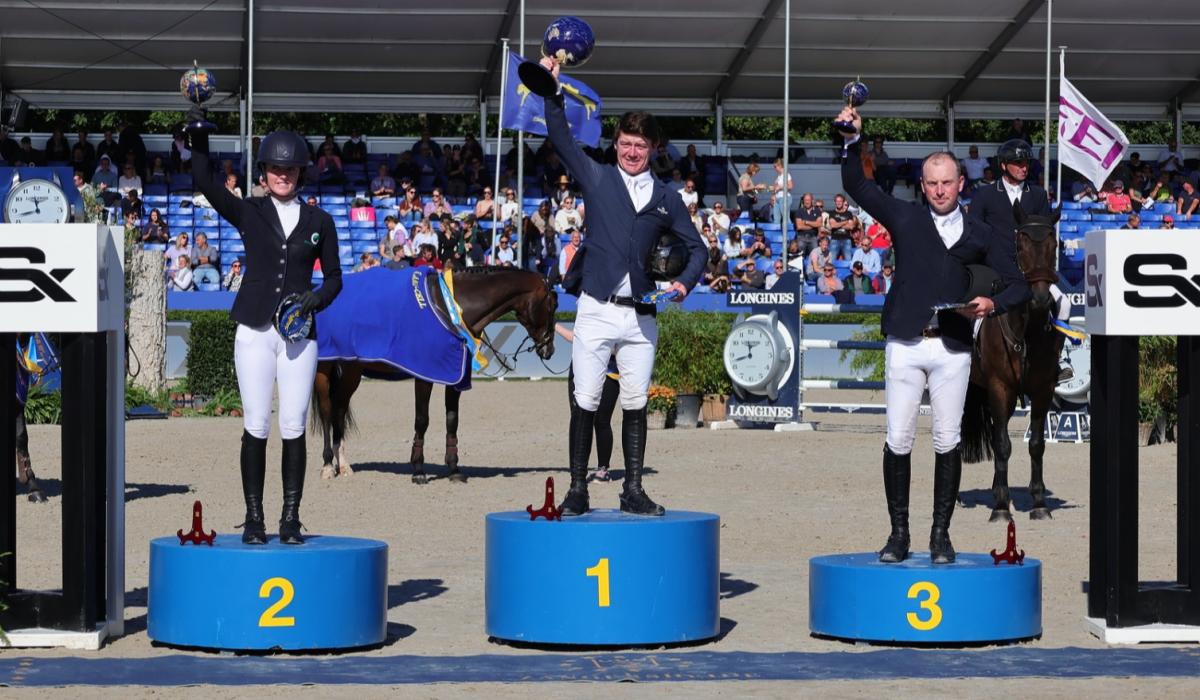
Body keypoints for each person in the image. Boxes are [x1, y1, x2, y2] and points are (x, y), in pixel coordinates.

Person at [837, 103, 1030, 566]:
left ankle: (940, 534)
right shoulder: (904, 218)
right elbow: (856, 185)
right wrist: (851, 141)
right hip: (905, 342)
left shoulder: (981, 233)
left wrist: (993, 303)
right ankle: (898, 533)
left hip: (954, 348)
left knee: (947, 439)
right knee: (898, 438)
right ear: (922, 186)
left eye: (947, 182)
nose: (940, 190)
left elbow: (1019, 282)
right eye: (932, 183)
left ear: (960, 184)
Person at [539, 56, 707, 517]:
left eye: (640, 145)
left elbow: (699, 251)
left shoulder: (667, 197)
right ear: (616, 143)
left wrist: (683, 285)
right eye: (626, 143)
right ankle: (578, 488)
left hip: (641, 315)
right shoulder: (596, 175)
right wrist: (553, 94)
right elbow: (559, 137)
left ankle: (633, 488)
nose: (632, 152)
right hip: (595, 307)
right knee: (586, 400)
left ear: (653, 148)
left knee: (635, 402)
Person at [189, 105, 343, 547]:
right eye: (276, 168)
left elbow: (334, 278)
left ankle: (290, 518)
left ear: (301, 172)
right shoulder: (250, 211)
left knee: (293, 423)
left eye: (290, 168)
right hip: (254, 331)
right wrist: (200, 138)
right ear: (265, 171)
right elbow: (205, 182)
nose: (283, 175)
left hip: (298, 336)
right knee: (257, 422)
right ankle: (254, 519)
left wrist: (315, 298)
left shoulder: (320, 222)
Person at [965, 139, 1071, 382]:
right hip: (995, 270)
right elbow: (976, 234)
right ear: (1003, 165)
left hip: (1031, 274)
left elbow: (1043, 236)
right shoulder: (985, 194)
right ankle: (968, 359)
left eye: (1026, 163)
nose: (1024, 167)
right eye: (1018, 163)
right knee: (974, 312)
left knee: (1064, 303)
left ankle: (1059, 358)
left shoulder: (1038, 195)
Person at [556, 324, 620, 482]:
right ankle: (577, 469)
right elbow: (575, 337)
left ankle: (603, 469)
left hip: (609, 372)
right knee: (578, 419)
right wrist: (554, 325)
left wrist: (595, 345)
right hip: (580, 369)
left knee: (602, 420)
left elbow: (618, 348)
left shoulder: (617, 317)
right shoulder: (586, 313)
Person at [769, 157, 793, 227]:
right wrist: (773, 194)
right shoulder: (778, 176)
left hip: (784, 198)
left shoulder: (786, 174)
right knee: (776, 219)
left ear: (779, 166)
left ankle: (789, 234)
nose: (774, 168)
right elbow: (775, 188)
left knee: (785, 218)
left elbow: (790, 186)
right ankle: (776, 235)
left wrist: (780, 187)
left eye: (775, 166)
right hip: (777, 199)